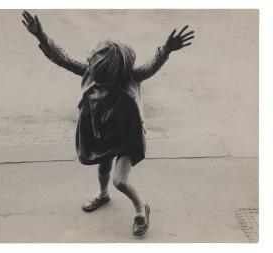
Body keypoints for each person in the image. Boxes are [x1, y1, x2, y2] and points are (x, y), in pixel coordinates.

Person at [22, 10, 194, 237]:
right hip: (102, 135)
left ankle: (141, 209)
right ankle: (103, 195)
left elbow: (150, 67)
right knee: (103, 170)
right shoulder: (92, 72)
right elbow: (61, 58)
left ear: (118, 73)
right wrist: (41, 36)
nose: (98, 82)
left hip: (126, 139)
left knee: (120, 181)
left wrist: (166, 50)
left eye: (104, 80)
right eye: (96, 75)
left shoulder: (132, 76)